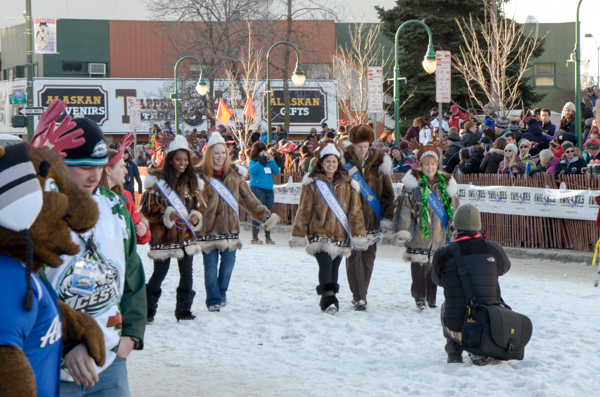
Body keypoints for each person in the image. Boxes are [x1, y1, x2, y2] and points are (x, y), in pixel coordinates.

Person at [42, 118, 146, 396]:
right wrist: (67, 344)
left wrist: (132, 335)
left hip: (110, 359)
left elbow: (132, 271)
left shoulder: (116, 206)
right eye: (85, 167)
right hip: (51, 361)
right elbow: (30, 290)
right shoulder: (37, 212)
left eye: (99, 167)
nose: (94, 177)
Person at [197, 133, 279, 312]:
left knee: (228, 265)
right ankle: (213, 300)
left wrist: (265, 216)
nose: (220, 157)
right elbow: (192, 203)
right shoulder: (200, 176)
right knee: (210, 267)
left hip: (230, 228)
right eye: (216, 153)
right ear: (209, 154)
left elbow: (248, 199)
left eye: (223, 153)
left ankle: (222, 292)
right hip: (208, 230)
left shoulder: (235, 174)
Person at [289, 143, 368, 314]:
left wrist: (358, 234)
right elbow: (304, 210)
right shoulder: (312, 183)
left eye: (334, 161)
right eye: (327, 161)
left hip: (341, 232)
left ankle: (330, 296)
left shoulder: (349, 183)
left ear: (338, 162)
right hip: (319, 230)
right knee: (325, 264)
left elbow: (356, 211)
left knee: (334, 267)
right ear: (321, 163)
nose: (331, 165)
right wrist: (299, 234)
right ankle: (328, 299)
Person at [431, 204, 511, 365]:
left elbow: (437, 280)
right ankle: (482, 348)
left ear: (455, 227)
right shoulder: (493, 249)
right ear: (479, 227)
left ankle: (454, 353)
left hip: (456, 329)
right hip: (489, 327)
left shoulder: (443, 253)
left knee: (447, 306)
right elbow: (503, 269)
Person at [141, 135, 204, 323]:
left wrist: (195, 216)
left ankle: (184, 311)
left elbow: (198, 206)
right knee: (159, 274)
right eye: (178, 159)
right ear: (170, 160)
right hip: (163, 237)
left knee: (187, 273)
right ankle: (147, 312)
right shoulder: (157, 181)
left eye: (185, 160)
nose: (182, 163)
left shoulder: (192, 182)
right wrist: (166, 213)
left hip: (185, 235)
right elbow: (147, 208)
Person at [393, 142, 459, 310]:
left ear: (437, 165)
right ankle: (419, 297)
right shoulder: (413, 184)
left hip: (437, 233)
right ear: (420, 166)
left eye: (433, 164)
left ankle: (432, 298)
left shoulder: (445, 184)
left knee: (432, 268)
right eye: (426, 164)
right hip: (417, 232)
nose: (430, 168)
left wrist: (454, 227)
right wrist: (403, 229)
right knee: (418, 267)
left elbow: (452, 208)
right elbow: (405, 208)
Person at [343, 125, 395, 311]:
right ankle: (359, 297)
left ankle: (363, 292)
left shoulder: (380, 160)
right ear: (352, 144)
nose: (362, 150)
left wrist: (388, 218)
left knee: (368, 259)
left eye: (365, 146)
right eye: (359, 146)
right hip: (352, 219)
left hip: (373, 217)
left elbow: (388, 194)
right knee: (354, 257)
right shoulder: (344, 161)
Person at [99, 136, 151, 246]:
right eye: (121, 166)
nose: (126, 171)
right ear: (108, 170)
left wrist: (143, 229)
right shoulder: (93, 197)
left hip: (123, 259)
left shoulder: (125, 196)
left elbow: (143, 238)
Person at [249, 141, 280, 244]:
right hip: (257, 188)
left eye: (265, 150)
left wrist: (272, 160)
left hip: (269, 190)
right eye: (263, 151)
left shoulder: (268, 162)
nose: (265, 152)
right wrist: (260, 162)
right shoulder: (253, 162)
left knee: (268, 212)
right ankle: (254, 237)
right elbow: (252, 171)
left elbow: (276, 172)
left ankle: (268, 237)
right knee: (258, 211)